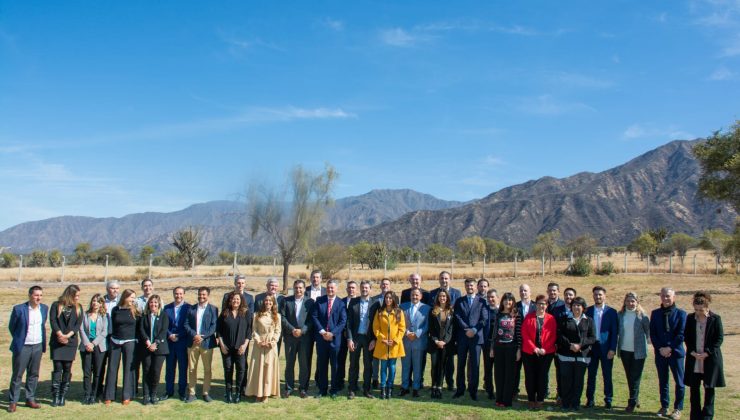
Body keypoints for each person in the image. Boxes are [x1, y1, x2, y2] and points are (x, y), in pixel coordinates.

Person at [7, 286, 48, 413]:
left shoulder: (44, 309)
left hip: (37, 346)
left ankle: (30, 398)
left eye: (40, 295)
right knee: (18, 375)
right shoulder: (19, 309)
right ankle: (13, 401)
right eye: (36, 295)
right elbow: (12, 327)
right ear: (30, 295)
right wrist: (20, 340)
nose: (38, 298)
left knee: (34, 374)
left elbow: (42, 325)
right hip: (23, 346)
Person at [685, 292, 724, 420]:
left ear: (707, 307)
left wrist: (707, 353)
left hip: (710, 360)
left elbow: (719, 339)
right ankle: (695, 416)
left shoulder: (715, 319)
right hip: (694, 359)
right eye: (696, 309)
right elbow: (687, 337)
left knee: (709, 389)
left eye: (701, 310)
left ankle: (707, 416)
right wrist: (692, 352)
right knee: (694, 389)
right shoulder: (690, 318)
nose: (698, 312)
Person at [650, 287, 687, 419]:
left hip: (676, 353)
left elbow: (681, 334)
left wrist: (669, 348)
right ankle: (664, 406)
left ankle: (678, 408)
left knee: (680, 382)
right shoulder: (655, 313)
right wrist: (660, 348)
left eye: (668, 296)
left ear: (674, 297)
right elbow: (653, 334)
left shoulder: (681, 314)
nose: (666, 298)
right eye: (663, 296)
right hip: (660, 354)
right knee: (663, 381)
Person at [557, 296, 595, 411]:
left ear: (583, 307)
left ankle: (575, 403)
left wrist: (580, 345)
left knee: (578, 381)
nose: (576, 307)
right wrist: (570, 345)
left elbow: (592, 337)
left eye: (578, 305)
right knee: (566, 380)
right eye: (574, 305)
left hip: (582, 356)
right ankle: (565, 403)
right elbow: (559, 335)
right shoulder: (564, 319)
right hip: (566, 355)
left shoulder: (589, 320)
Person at [311, 279, 347, 398]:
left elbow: (342, 322)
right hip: (321, 340)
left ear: (336, 289)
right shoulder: (319, 301)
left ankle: (334, 389)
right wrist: (322, 332)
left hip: (335, 340)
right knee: (322, 364)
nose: (330, 290)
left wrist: (332, 333)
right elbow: (314, 317)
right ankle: (322, 389)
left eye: (332, 288)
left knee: (335, 365)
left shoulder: (341, 303)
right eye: (328, 287)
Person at [454, 278, 488, 401]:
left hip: (476, 338)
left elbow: (484, 319)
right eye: (467, 285)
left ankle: (473, 390)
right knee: (461, 364)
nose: (470, 287)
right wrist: (467, 329)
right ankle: (460, 389)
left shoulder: (482, 302)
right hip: (463, 337)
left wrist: (474, 330)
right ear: (465, 287)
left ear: (476, 287)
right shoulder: (459, 301)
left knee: (475, 365)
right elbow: (457, 317)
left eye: (472, 285)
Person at [49, 284, 83, 407]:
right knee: (57, 368)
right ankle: (55, 396)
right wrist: (59, 334)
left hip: (70, 342)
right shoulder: (56, 305)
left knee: (67, 368)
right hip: (57, 342)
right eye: (76, 295)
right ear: (70, 295)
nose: (78, 298)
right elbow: (53, 321)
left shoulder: (78, 308)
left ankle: (63, 395)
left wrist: (68, 336)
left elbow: (78, 324)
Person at [585, 286, 619, 409]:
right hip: (592, 348)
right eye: (595, 294)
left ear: (604, 296)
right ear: (593, 296)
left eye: (600, 294)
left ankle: (608, 400)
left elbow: (615, 332)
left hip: (606, 348)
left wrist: (612, 349)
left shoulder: (611, 312)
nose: (598, 297)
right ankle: (590, 399)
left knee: (607, 375)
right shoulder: (588, 311)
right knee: (591, 375)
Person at [104, 289, 139, 405]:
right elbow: (113, 325)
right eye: (131, 297)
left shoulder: (136, 311)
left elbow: (138, 328)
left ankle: (126, 395)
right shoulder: (115, 310)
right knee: (112, 368)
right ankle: (109, 395)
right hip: (115, 341)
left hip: (130, 342)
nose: (132, 300)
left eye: (134, 298)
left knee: (128, 369)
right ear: (125, 297)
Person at [617, 292, 650, 413]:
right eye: (628, 301)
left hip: (639, 351)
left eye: (633, 301)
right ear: (625, 302)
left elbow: (648, 333)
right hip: (625, 350)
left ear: (637, 302)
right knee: (629, 376)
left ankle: (631, 402)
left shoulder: (643, 316)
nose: (630, 303)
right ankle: (635, 398)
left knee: (635, 377)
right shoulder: (620, 315)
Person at [521, 294, 557, 409]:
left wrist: (544, 349)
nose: (541, 305)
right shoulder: (529, 317)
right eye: (539, 303)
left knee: (542, 376)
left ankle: (540, 399)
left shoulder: (551, 319)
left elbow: (553, 335)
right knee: (530, 376)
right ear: (535, 304)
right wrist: (534, 348)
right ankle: (531, 399)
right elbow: (524, 334)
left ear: (547, 305)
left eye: (544, 303)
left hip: (546, 353)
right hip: (529, 352)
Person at [184, 286, 218, 403]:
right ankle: (192, 393)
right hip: (193, 342)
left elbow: (213, 326)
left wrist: (202, 337)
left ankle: (206, 392)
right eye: (199, 294)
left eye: (203, 294)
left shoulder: (213, 309)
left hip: (206, 343)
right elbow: (186, 324)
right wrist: (195, 335)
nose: (201, 296)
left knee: (207, 369)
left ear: (208, 295)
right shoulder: (191, 309)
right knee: (192, 369)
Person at [281, 279, 315, 398]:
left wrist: (302, 330)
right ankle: (289, 387)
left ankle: (303, 388)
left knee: (304, 364)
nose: (298, 290)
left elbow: (312, 319)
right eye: (296, 288)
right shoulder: (286, 301)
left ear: (304, 289)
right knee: (289, 363)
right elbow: (283, 318)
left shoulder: (310, 302)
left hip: (304, 338)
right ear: (293, 288)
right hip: (290, 337)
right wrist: (292, 330)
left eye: (301, 288)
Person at [218, 291, 252, 403]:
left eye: (237, 299)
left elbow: (249, 331)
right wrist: (222, 345)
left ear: (241, 300)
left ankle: (238, 393)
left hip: (241, 348)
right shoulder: (224, 313)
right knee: (228, 370)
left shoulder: (246, 313)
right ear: (229, 300)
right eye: (233, 299)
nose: (235, 301)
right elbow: (219, 331)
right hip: (226, 348)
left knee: (241, 370)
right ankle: (228, 393)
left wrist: (245, 345)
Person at [246, 295, 281, 402]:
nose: (268, 302)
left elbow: (278, 331)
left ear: (273, 303)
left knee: (269, 369)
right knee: (258, 368)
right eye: (266, 300)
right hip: (259, 345)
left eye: (270, 301)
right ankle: (258, 393)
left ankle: (266, 393)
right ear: (263, 302)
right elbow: (254, 330)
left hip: (271, 346)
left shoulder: (277, 316)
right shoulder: (256, 315)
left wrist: (272, 342)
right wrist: (259, 341)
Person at [490, 292, 521, 407]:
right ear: (502, 301)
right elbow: (494, 333)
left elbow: (518, 333)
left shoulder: (516, 315)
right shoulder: (498, 315)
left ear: (513, 302)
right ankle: (499, 399)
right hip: (499, 348)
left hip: (511, 348)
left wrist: (519, 349)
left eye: (510, 300)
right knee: (499, 374)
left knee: (509, 375)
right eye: (505, 300)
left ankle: (507, 400)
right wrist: (492, 348)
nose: (507, 302)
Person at [373, 291, 406, 399]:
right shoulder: (379, 312)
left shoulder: (398, 312)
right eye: (386, 298)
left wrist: (395, 340)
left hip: (394, 345)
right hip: (382, 345)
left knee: (392, 367)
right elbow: (376, 327)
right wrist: (383, 339)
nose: (388, 300)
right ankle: (382, 388)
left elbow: (402, 328)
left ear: (393, 300)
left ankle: (389, 387)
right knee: (383, 367)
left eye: (390, 298)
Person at [346, 280, 376, 399]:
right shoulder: (353, 302)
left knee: (368, 365)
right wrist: (349, 338)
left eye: (366, 288)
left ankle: (367, 390)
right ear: (360, 288)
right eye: (362, 287)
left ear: (370, 289)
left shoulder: (375, 304)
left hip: (369, 339)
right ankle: (352, 389)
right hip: (356, 337)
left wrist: (374, 339)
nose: (364, 289)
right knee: (353, 364)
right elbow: (349, 322)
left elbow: (376, 323)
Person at [138, 294, 169, 405]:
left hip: (159, 349)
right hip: (146, 348)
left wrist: (155, 343)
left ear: (159, 304)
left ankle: (153, 394)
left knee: (156, 372)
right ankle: (146, 395)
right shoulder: (144, 315)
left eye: (155, 302)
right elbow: (141, 329)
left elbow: (164, 331)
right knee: (146, 371)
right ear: (148, 304)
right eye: (151, 302)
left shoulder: (164, 315)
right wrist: (147, 341)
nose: (153, 304)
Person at [400, 288, 430, 397]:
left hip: (419, 341)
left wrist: (417, 334)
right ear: (410, 296)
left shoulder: (426, 308)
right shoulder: (402, 307)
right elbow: (399, 323)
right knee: (405, 365)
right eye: (413, 295)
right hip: (406, 340)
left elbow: (427, 325)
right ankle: (404, 387)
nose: (415, 297)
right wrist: (407, 332)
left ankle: (416, 388)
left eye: (417, 295)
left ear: (421, 296)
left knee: (418, 366)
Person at [79, 294, 108, 405]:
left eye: (98, 301)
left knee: (97, 372)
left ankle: (94, 394)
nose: (95, 303)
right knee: (87, 372)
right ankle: (87, 394)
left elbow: (104, 332)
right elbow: (81, 330)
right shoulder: (85, 315)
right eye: (94, 301)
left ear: (101, 304)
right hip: (86, 347)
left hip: (99, 347)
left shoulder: (104, 316)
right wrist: (87, 344)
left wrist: (94, 343)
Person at [163, 286, 190, 401]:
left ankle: (182, 392)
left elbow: (189, 325)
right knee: (169, 368)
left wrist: (178, 335)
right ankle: (169, 391)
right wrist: (170, 334)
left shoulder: (189, 308)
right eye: (176, 294)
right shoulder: (167, 308)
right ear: (173, 294)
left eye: (180, 294)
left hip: (182, 342)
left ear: (184, 294)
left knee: (183, 368)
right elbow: (164, 325)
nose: (178, 296)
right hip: (170, 342)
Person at [427, 289, 454, 399]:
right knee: (434, 365)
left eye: (444, 296)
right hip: (435, 343)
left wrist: (445, 341)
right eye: (440, 296)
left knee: (442, 366)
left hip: (445, 344)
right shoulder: (433, 311)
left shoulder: (451, 311)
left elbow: (451, 329)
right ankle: (433, 386)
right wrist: (436, 340)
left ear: (447, 298)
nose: (442, 298)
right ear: (437, 298)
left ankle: (439, 387)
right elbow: (431, 328)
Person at [98, 280, 120, 400]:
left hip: (116, 337)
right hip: (102, 336)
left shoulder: (122, 301)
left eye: (117, 288)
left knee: (113, 365)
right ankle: (98, 389)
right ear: (107, 289)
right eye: (112, 288)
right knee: (100, 364)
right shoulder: (101, 301)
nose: (115, 290)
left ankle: (111, 391)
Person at [371, 277, 393, 389]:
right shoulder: (374, 299)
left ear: (390, 286)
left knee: (389, 361)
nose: (385, 286)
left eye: (387, 284)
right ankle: (375, 379)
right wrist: (375, 337)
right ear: (380, 286)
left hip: (390, 338)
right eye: (383, 284)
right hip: (377, 335)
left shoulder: (394, 298)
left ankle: (389, 381)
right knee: (375, 359)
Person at [337, 281, 357, 391]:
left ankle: (353, 382)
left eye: (353, 288)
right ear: (346, 289)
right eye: (349, 288)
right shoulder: (341, 302)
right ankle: (340, 381)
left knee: (354, 361)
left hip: (355, 336)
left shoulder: (359, 301)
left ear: (356, 289)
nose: (351, 290)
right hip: (341, 335)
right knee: (341, 359)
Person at [482, 289, 498, 400]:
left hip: (499, 345)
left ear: (497, 298)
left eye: (492, 297)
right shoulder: (484, 310)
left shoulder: (501, 311)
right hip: (487, 344)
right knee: (488, 369)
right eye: (488, 297)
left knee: (498, 369)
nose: (490, 299)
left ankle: (499, 390)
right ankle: (489, 390)